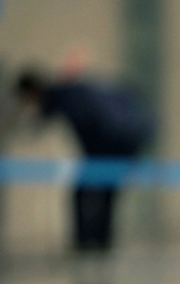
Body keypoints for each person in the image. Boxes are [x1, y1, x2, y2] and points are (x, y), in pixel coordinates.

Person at [14, 68, 156, 251]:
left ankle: (87, 243)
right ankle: (99, 242)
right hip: (126, 138)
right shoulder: (69, 93)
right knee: (105, 193)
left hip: (115, 142)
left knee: (89, 192)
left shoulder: (64, 97)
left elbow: (95, 126)